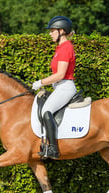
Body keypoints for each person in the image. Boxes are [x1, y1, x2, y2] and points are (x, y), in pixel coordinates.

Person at [32, 16, 77, 159]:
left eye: (52, 31)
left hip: (65, 86)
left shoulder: (66, 48)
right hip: (59, 87)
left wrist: (41, 82)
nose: (50, 34)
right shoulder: (60, 48)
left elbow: (60, 74)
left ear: (61, 31)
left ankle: (53, 149)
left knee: (46, 110)